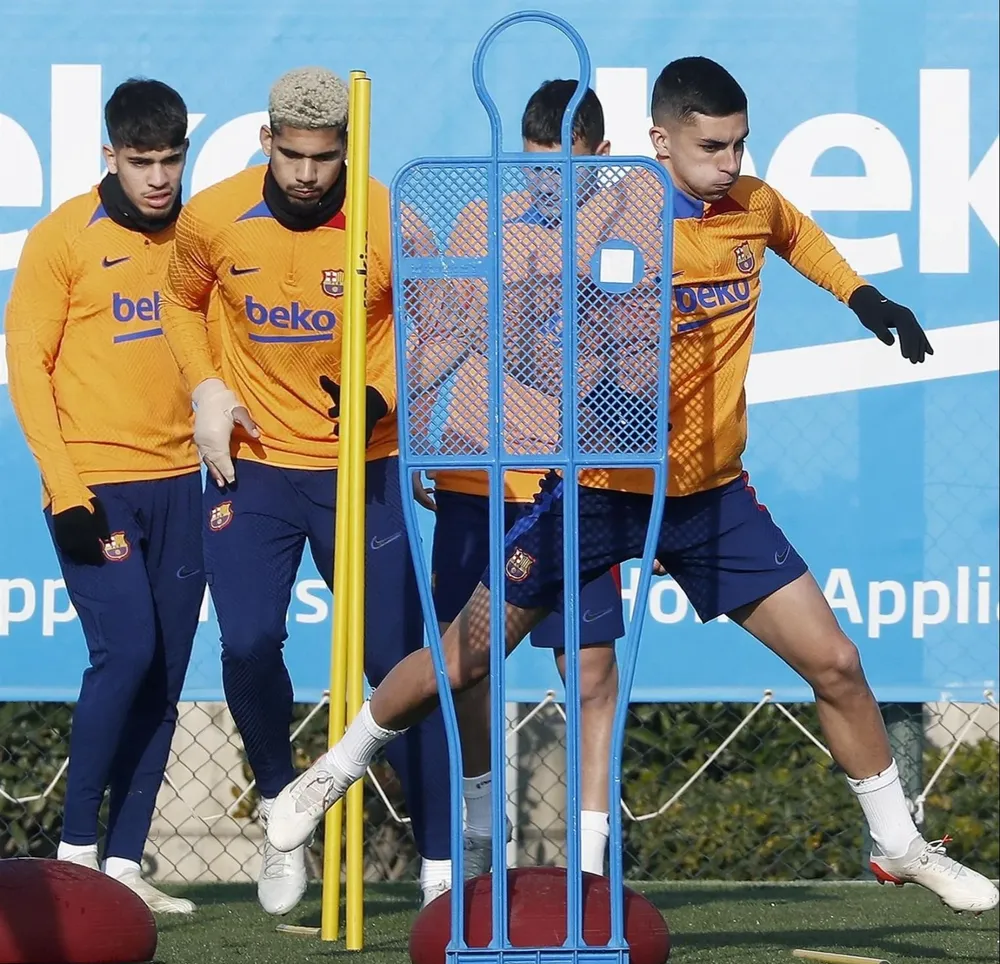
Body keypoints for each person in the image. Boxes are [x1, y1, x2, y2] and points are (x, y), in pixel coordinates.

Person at [268, 57, 999, 914]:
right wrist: (567, 378)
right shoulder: (619, 216)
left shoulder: (750, 205)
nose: (729, 163)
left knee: (837, 662)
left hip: (711, 499)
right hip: (600, 488)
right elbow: (519, 337)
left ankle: (899, 843)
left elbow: (797, 235)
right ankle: (324, 779)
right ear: (660, 141)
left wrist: (865, 298)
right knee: (462, 660)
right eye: (711, 147)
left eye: (739, 145)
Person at [159, 66, 454, 913]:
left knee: (397, 668)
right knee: (248, 642)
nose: (305, 174)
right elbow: (181, 303)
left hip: (365, 462)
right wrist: (205, 386)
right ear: (266, 142)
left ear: (347, 151)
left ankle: (441, 866)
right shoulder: (213, 216)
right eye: (291, 155)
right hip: (253, 463)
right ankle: (284, 811)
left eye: (324, 158)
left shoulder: (385, 216)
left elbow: (436, 325)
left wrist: (384, 395)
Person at [417, 79, 624, 877]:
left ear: (598, 157)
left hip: (575, 483)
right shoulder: (481, 222)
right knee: (464, 664)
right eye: (533, 170)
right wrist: (425, 429)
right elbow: (443, 326)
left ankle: (596, 859)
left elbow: (620, 351)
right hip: (479, 471)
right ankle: (478, 823)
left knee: (592, 667)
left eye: (562, 170)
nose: (545, 187)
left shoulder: (628, 227)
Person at [5, 78, 200, 914]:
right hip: (96, 486)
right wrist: (65, 490)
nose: (157, 177)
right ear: (109, 158)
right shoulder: (62, 241)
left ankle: (125, 862)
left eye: (170, 159)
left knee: (166, 674)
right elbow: (27, 370)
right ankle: (76, 848)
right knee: (123, 654)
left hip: (186, 483)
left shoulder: (201, 236)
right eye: (141, 161)